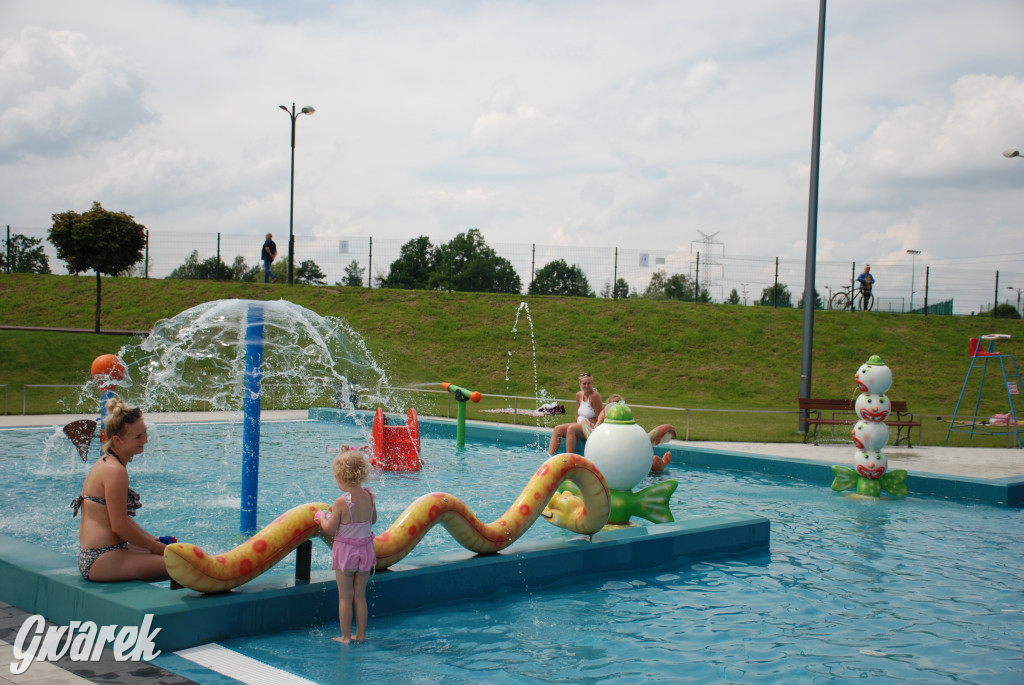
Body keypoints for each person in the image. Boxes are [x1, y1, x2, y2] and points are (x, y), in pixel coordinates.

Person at [70, 398, 170, 582]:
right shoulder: (115, 471)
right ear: (117, 440)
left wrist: (152, 541)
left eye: (145, 433)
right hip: (101, 558)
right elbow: (119, 526)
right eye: (138, 437)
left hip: (101, 554)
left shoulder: (106, 461)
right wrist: (157, 548)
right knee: (184, 564)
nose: (145, 440)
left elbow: (121, 518)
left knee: (177, 553)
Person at [315, 448, 377, 644]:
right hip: (366, 551)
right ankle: (361, 635)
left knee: (345, 597)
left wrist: (321, 517)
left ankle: (345, 637)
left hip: (346, 554)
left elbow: (330, 529)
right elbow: (373, 520)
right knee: (360, 596)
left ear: (339, 476)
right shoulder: (369, 496)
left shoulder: (342, 502)